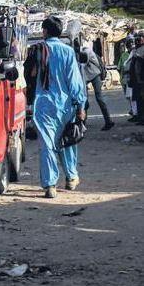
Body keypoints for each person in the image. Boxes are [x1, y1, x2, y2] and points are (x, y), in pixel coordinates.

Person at [30, 16, 87, 198]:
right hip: (65, 105)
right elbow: (75, 81)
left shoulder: (37, 50)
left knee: (47, 145)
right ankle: (71, 177)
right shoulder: (68, 51)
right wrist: (80, 105)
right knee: (67, 141)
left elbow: (29, 76)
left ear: (45, 31)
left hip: (43, 105)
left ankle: (50, 186)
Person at [80, 43, 114, 131]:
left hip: (94, 75)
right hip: (88, 76)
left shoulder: (86, 51)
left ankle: (108, 121)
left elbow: (84, 61)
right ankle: (83, 123)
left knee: (99, 99)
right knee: (85, 100)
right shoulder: (83, 51)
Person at [128, 32, 144, 125]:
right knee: (138, 99)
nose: (138, 39)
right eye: (137, 38)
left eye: (140, 37)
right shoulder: (135, 50)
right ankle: (140, 117)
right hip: (136, 79)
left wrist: (139, 57)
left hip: (142, 78)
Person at [117, 38, 134, 116]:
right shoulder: (124, 55)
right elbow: (119, 67)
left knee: (133, 96)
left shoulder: (135, 53)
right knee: (128, 96)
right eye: (129, 46)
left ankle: (134, 111)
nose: (131, 47)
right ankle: (132, 109)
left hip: (134, 78)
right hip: (125, 78)